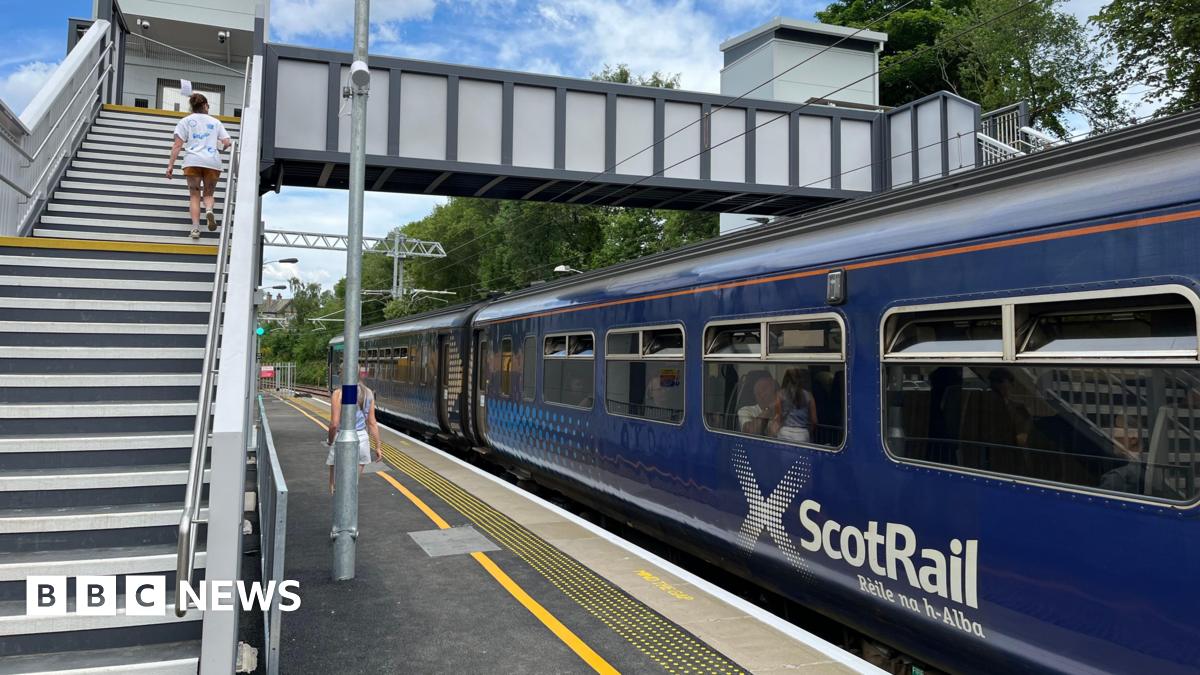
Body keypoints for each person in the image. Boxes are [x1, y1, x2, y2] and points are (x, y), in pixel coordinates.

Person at [165, 93, 232, 239]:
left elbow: (177, 145)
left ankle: (195, 229)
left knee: (194, 195)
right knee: (208, 194)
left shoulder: (185, 121)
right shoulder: (215, 122)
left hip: (192, 161)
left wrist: (170, 166)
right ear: (205, 105)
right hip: (212, 162)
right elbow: (227, 142)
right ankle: (208, 209)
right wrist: (220, 146)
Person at [326, 378, 382, 493]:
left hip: (342, 436)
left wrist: (330, 440)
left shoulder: (339, 393)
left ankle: (340, 507)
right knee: (351, 485)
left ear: (342, 373)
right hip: (362, 439)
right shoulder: (368, 393)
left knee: (336, 486)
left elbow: (334, 424)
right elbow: (372, 423)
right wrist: (378, 446)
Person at [778, 368, 819, 443]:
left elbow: (779, 417)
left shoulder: (780, 394)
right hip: (803, 434)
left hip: (785, 432)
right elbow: (814, 420)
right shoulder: (809, 395)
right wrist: (808, 431)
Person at [737, 372, 783, 437]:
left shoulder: (785, 410)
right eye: (762, 390)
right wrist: (769, 409)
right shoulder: (746, 410)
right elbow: (750, 431)